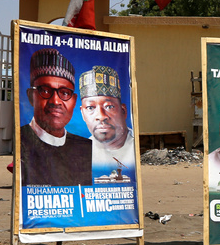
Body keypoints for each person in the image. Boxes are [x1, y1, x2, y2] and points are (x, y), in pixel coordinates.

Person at [20, 48, 93, 187]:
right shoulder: (21, 140)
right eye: (45, 91)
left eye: (65, 93)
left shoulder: (87, 148)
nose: (55, 101)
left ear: (74, 100)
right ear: (31, 96)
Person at [79, 65, 135, 178]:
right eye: (90, 108)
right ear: (83, 114)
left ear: (123, 111)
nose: (101, 116)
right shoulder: (79, 154)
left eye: (109, 106)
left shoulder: (135, 147)